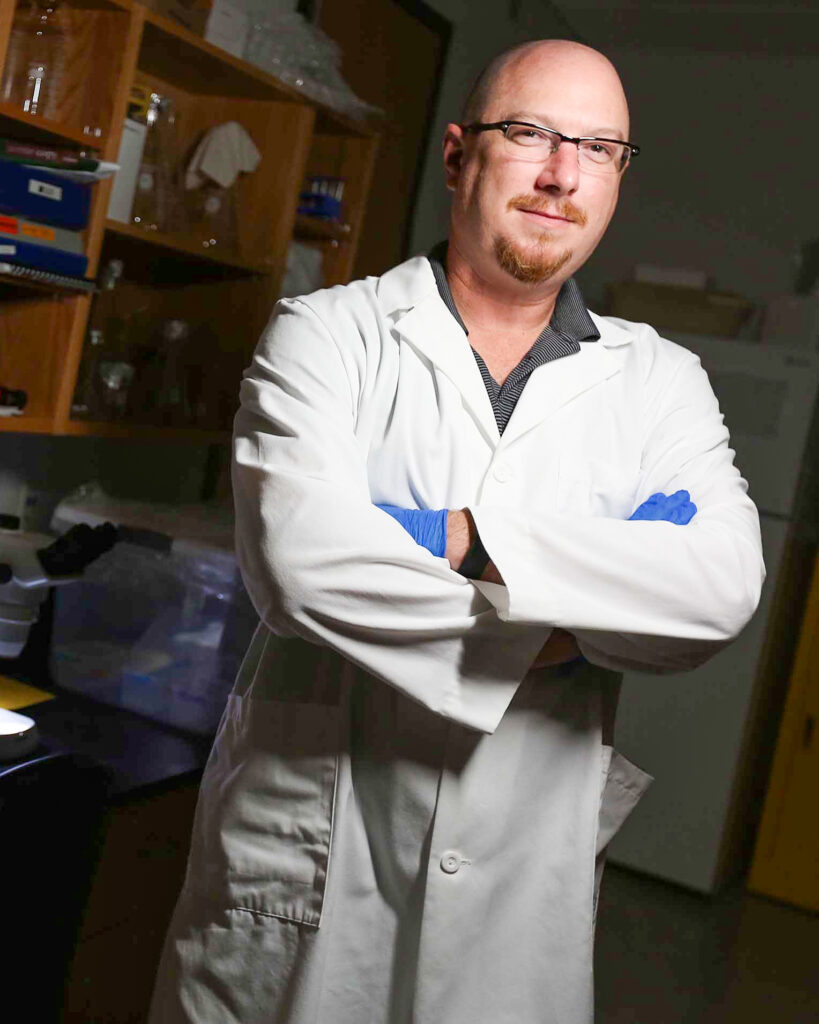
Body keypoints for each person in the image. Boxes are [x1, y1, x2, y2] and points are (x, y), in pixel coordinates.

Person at [149, 39, 764, 1024]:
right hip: (310, 868)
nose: (563, 174)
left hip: (519, 891)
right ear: (456, 154)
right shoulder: (326, 335)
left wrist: (455, 536)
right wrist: (578, 615)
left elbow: (720, 587)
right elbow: (302, 567)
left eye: (599, 149)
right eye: (531, 133)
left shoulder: (661, 383)